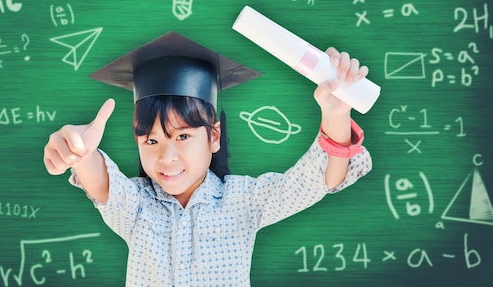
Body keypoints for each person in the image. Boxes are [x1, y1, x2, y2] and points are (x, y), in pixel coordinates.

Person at [43, 31, 372, 286]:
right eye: (151, 140)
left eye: (183, 136)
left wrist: (336, 113)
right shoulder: (138, 207)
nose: (165, 157)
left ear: (213, 136)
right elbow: (102, 183)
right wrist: (79, 153)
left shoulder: (242, 201)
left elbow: (318, 180)